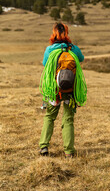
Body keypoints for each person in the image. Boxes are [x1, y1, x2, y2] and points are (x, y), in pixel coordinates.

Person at [39, 23, 84, 157]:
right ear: (67, 33)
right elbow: (81, 59)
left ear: (53, 34)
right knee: (68, 119)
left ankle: (44, 147)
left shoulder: (49, 50)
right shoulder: (74, 49)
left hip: (54, 90)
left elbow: (44, 64)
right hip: (71, 90)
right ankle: (69, 152)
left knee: (50, 117)